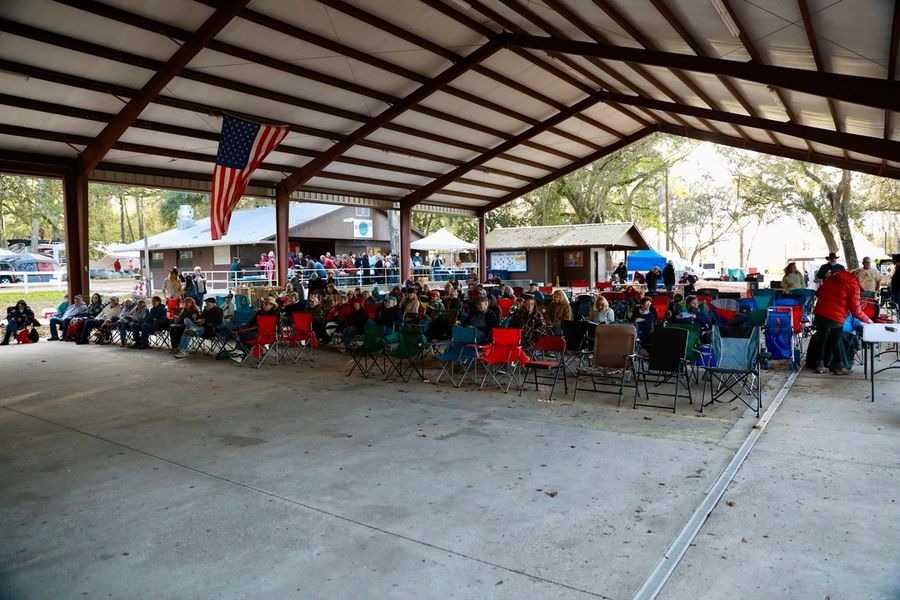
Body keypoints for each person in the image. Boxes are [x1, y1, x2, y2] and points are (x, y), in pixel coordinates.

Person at [809, 265, 871, 375]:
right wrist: (868, 320)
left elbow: (818, 293)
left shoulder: (833, 278)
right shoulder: (854, 286)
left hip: (820, 312)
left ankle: (819, 366)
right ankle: (838, 367)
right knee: (836, 340)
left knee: (821, 340)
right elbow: (856, 311)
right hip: (836, 316)